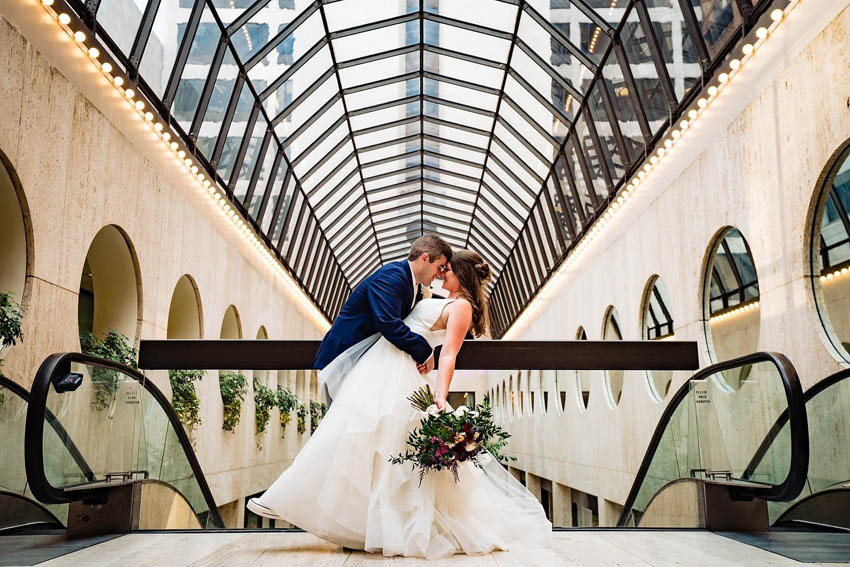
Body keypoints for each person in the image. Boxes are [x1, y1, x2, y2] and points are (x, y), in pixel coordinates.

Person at [248, 249, 552, 558]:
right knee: (357, 441)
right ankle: (340, 515)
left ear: (461, 276)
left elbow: (448, 354)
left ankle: (334, 512)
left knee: (379, 446)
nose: (442, 273)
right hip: (384, 369)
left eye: (448, 270)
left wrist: (441, 395)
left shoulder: (462, 307)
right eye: (441, 267)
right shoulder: (431, 295)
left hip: (397, 375)